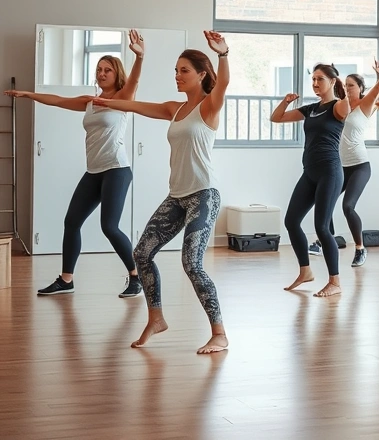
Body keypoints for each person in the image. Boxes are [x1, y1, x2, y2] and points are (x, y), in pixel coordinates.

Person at [93, 30, 230, 354]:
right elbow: (138, 106)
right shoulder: (175, 109)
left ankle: (219, 333)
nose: (177, 76)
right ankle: (156, 318)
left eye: (184, 71)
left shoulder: (209, 107)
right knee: (141, 253)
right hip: (178, 196)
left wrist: (223, 54)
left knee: (191, 263)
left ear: (201, 74)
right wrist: (103, 101)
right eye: (175, 71)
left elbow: (223, 84)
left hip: (203, 195)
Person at [6, 30, 146, 297]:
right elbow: (58, 101)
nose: (102, 73)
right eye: (99, 69)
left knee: (109, 226)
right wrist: (28, 95)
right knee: (72, 222)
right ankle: (66, 279)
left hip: (117, 170)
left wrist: (140, 56)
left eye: (107, 70)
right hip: (94, 171)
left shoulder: (122, 99)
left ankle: (136, 276)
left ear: (116, 74)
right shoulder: (90, 102)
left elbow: (135, 79)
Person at [272, 64, 350, 297]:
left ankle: (335, 281)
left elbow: (351, 104)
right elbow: (276, 118)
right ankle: (305, 271)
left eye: (320, 79)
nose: (315, 84)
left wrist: (346, 86)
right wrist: (286, 101)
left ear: (333, 81)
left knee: (322, 227)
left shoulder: (338, 107)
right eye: (313, 79)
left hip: (330, 172)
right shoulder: (311, 109)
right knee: (291, 220)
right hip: (310, 172)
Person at [314, 49, 379, 268]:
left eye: (352, 84)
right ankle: (325, 240)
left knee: (348, 206)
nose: (348, 87)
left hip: (360, 166)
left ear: (360, 88)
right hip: (339, 166)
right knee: (324, 202)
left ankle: (360, 249)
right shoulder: (338, 107)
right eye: (346, 84)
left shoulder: (366, 105)